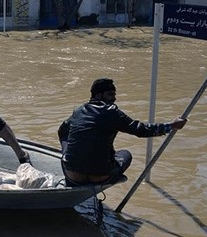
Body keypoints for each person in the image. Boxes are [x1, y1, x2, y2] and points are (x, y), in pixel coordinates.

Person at [57, 78, 188, 187]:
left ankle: (71, 167)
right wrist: (171, 125)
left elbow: (62, 132)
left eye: (114, 95)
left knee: (66, 143)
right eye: (110, 94)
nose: (114, 99)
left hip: (73, 176)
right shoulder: (112, 112)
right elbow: (141, 130)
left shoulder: (78, 111)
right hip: (101, 176)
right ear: (98, 95)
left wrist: (68, 153)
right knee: (126, 154)